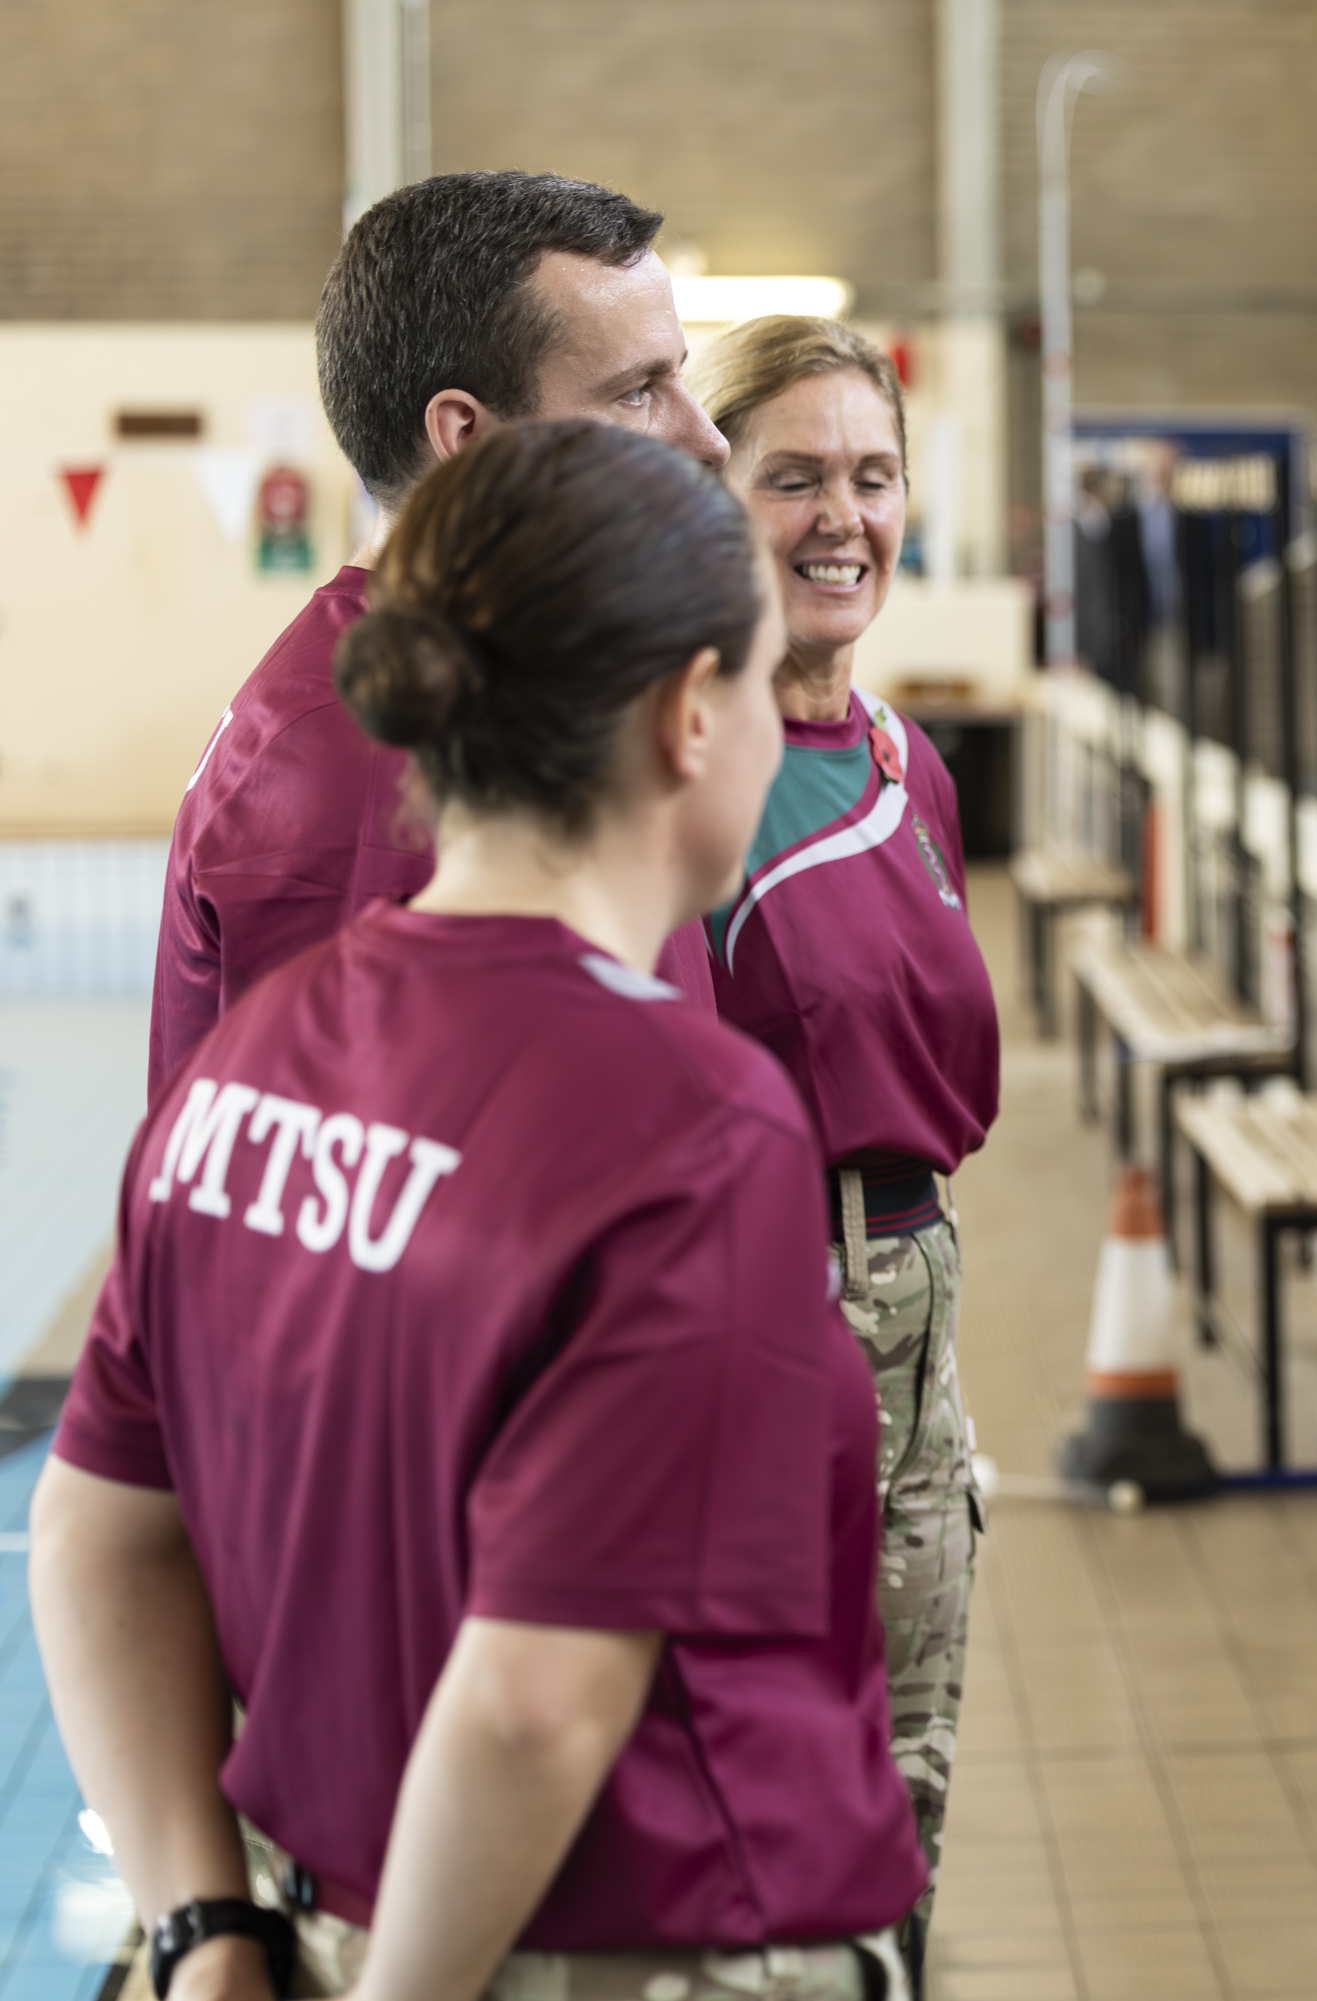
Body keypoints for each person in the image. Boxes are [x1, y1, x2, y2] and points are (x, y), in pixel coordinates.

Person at [33, 419, 927, 2001]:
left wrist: (202, 1928)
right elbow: (534, 1703)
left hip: (319, 1916)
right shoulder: (687, 1124)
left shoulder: (259, 1053)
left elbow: (98, 1527)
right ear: (685, 716)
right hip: (632, 1941)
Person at [150, 170, 732, 1101]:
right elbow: (353, 1212)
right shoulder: (366, 754)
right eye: (636, 394)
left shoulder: (508, 679)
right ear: (466, 436)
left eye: (681, 380)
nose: (707, 439)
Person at [688, 317, 1000, 1970]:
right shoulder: (682, 773)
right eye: (790, 476)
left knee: (908, 1796)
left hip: (916, 1308)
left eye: (870, 477)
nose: (841, 517)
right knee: (773, 1813)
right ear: (706, 498)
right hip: (758, 1327)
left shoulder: (904, 763)